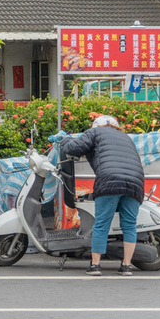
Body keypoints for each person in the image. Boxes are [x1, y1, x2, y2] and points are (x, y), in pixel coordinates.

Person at [61, 114, 145, 276]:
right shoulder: (126, 137)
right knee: (129, 225)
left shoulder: (95, 133)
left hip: (110, 180)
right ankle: (127, 266)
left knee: (101, 224)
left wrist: (64, 140)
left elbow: (73, 148)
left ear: (96, 125)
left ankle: (95, 265)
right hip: (135, 182)